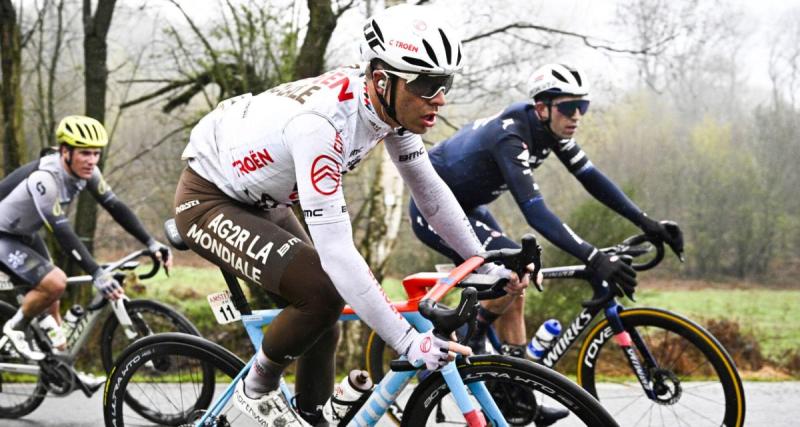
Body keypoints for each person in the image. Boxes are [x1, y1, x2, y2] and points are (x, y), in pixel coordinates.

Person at [173, 5, 535, 426]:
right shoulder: (322, 127)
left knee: (323, 320)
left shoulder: (389, 104)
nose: (440, 97)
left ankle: (311, 418)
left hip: (264, 199)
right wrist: (406, 341)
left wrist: (480, 259)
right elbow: (338, 253)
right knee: (323, 291)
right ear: (382, 79)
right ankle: (257, 387)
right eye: (427, 84)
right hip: (208, 199)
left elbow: (430, 191)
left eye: (445, 82)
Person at [409, 63, 684, 423]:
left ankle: (518, 399)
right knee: (512, 271)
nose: (576, 117)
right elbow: (535, 212)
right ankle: (471, 338)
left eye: (581, 108)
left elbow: (593, 179)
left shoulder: (552, 132)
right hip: (433, 212)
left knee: (516, 282)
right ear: (542, 108)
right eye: (568, 108)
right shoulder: (511, 136)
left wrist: (648, 224)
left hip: (468, 207)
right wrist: (593, 257)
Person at [0, 115, 173, 386]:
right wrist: (96, 273)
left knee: (53, 298)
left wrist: (151, 242)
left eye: (96, 153)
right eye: (84, 153)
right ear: (65, 152)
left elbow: (116, 207)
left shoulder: (89, 173)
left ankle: (62, 367)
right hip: (3, 235)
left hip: (23, 233)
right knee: (55, 283)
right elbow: (61, 230)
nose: (91, 160)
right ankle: (14, 327)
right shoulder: (44, 179)